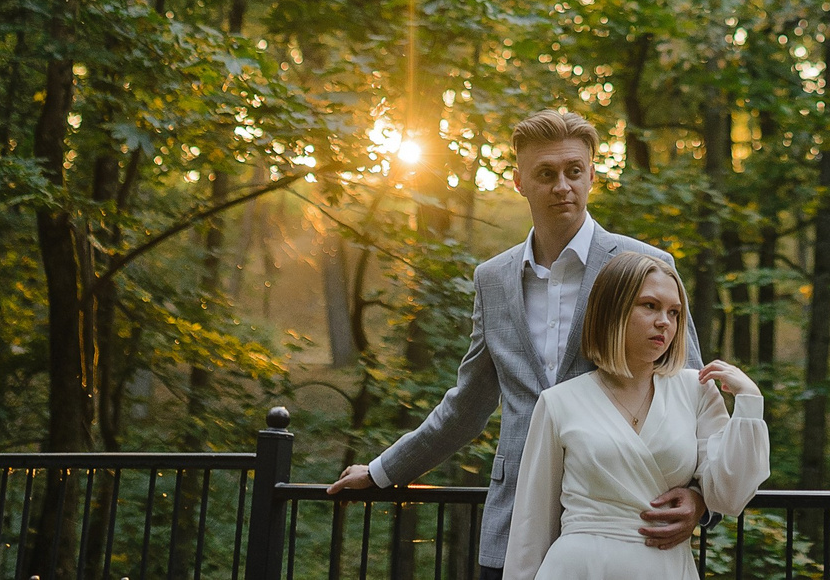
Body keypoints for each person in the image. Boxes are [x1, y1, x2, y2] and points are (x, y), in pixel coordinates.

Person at [328, 109, 710, 580]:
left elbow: (692, 392)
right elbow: (467, 403)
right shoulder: (493, 279)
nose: (562, 186)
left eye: (574, 171)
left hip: (623, 528)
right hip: (513, 526)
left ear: (592, 174)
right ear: (519, 182)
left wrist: (698, 496)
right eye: (545, 174)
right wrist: (385, 470)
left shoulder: (645, 264)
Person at [502, 254, 765, 580]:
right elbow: (532, 525)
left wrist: (750, 404)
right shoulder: (559, 403)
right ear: (612, 310)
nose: (664, 322)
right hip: (578, 569)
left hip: (665, 568)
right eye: (650, 306)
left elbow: (730, 495)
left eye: (673, 312)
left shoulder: (696, 391)